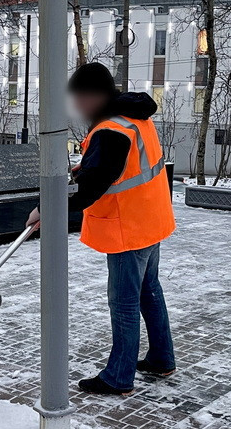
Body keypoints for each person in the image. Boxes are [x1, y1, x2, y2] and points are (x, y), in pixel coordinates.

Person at [27, 62, 176, 396]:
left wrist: (46, 209)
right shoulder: (134, 116)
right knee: (149, 292)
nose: (76, 107)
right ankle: (161, 358)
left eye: (79, 99)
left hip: (128, 229)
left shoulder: (110, 131)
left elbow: (92, 188)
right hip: (151, 220)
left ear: (94, 97)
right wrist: (88, 165)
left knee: (123, 303)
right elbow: (121, 166)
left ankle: (119, 376)